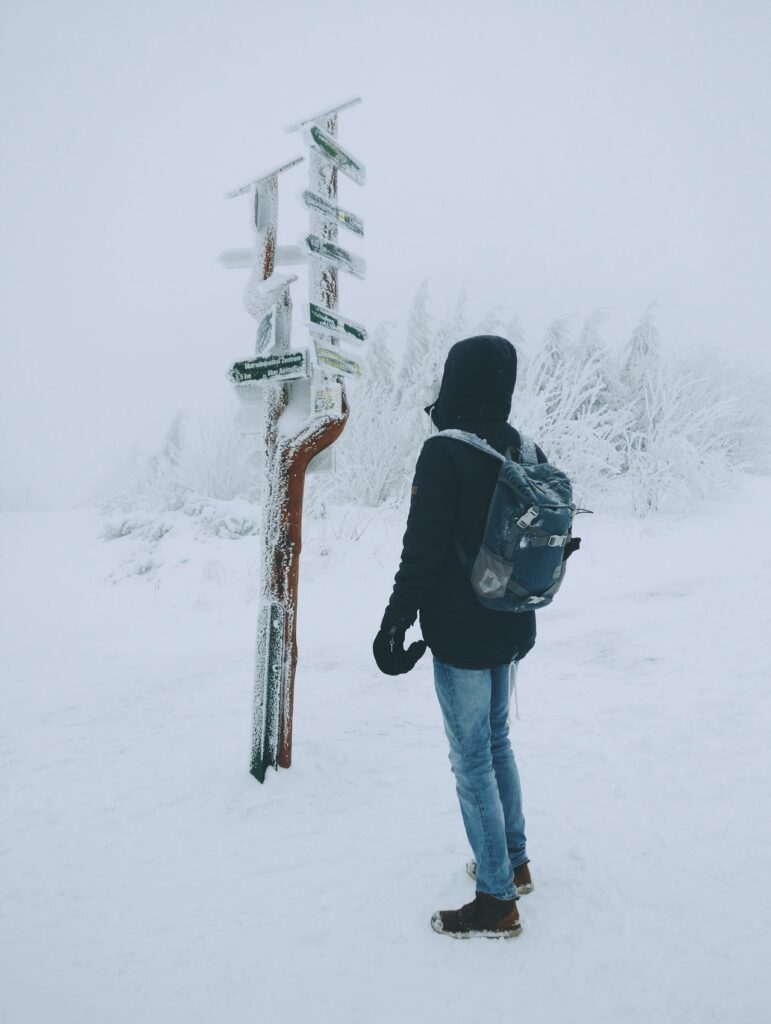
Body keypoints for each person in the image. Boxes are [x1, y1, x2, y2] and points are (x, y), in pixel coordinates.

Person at [372, 334, 576, 939]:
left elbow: (423, 549)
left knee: (471, 760)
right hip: (513, 621)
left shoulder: (445, 451)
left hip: (462, 633)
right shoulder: (524, 446)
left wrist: (393, 623)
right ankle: (513, 862)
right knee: (496, 742)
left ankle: (496, 900)